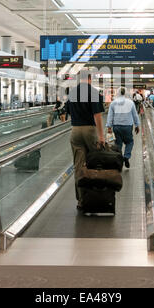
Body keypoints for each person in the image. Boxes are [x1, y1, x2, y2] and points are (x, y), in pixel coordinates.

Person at [66, 70, 105, 209]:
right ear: (90, 78)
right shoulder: (93, 92)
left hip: (75, 130)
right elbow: (97, 116)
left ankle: (81, 200)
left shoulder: (72, 93)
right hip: (89, 130)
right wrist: (101, 136)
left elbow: (68, 111)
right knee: (95, 162)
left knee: (78, 166)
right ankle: (95, 197)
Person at [106, 87, 140, 169]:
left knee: (118, 144)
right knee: (129, 142)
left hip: (116, 126)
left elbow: (110, 116)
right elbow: (135, 115)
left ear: (117, 93)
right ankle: (126, 156)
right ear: (125, 93)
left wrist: (109, 127)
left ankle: (119, 160)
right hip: (128, 126)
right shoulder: (130, 103)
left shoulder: (113, 103)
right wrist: (137, 125)